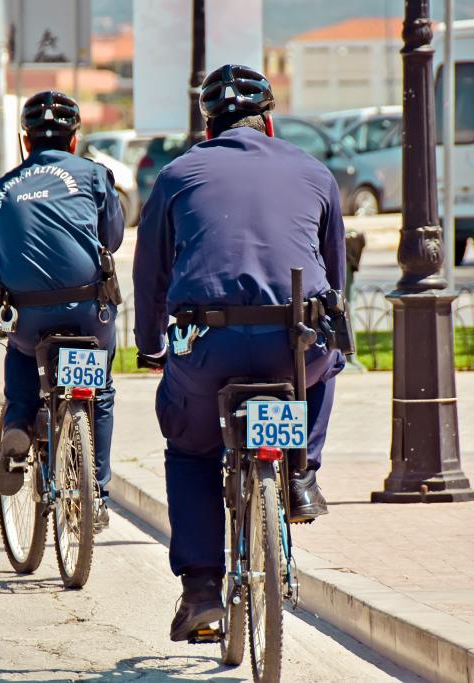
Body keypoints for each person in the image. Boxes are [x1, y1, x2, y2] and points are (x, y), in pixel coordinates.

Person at [132, 64, 347, 641]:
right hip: (294, 346)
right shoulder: (314, 171)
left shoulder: (178, 174)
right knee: (329, 366)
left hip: (209, 346)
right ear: (269, 121)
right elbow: (335, 276)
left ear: (208, 129)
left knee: (192, 449)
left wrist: (148, 345)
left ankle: (202, 591)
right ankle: (301, 474)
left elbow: (151, 273)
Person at [0, 91, 124, 530]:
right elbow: (114, 237)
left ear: (25, 141)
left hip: (28, 320)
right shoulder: (94, 175)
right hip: (90, 314)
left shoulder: (2, 190)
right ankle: (97, 494)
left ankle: (19, 423)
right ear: (75, 140)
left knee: (22, 354)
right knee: (98, 391)